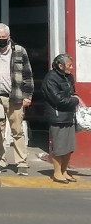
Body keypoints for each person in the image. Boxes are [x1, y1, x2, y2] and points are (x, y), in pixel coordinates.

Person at [0, 23, 34, 175]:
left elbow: (28, 75)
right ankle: (0, 162)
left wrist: (28, 96)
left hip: (15, 97)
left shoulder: (19, 51)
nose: (1, 40)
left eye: (4, 38)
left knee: (17, 131)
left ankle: (22, 163)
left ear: (9, 37)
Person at [42, 54, 80, 184]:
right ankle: (57, 173)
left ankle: (64, 171)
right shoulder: (50, 78)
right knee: (59, 146)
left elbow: (72, 92)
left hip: (69, 115)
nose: (72, 67)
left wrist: (73, 99)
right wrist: (75, 100)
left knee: (69, 146)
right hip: (58, 117)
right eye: (69, 65)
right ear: (60, 66)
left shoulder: (69, 77)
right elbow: (57, 99)